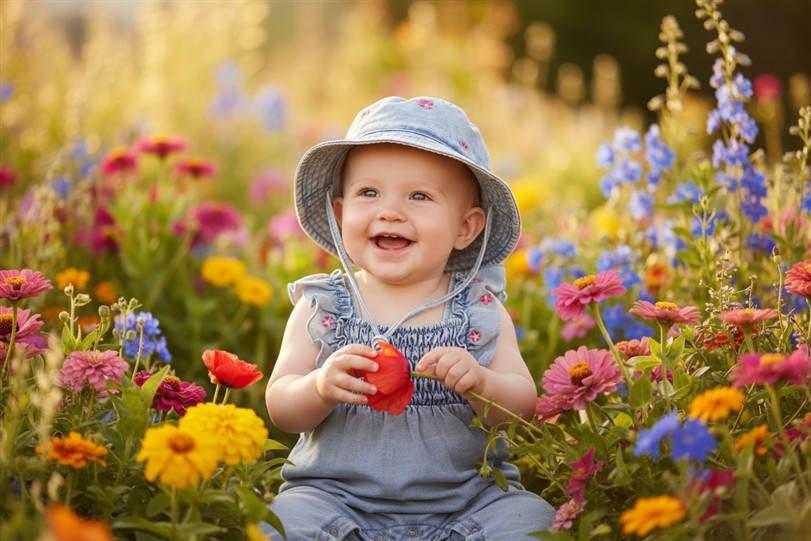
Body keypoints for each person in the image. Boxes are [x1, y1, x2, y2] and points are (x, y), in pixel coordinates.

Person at [262, 96, 555, 541]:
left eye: (419, 196)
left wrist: (482, 384)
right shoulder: (323, 305)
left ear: (465, 227)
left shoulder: (480, 309)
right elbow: (281, 405)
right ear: (341, 213)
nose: (390, 211)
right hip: (337, 502)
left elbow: (522, 407)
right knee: (284, 519)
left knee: (531, 519)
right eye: (368, 193)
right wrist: (319, 386)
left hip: (468, 505)